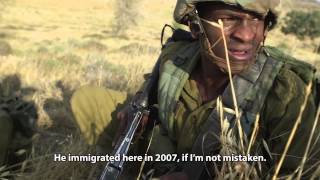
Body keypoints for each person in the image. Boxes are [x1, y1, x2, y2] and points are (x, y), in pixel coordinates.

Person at [71, 0, 320, 179]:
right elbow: (152, 92)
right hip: (172, 151)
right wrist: (136, 109)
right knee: (90, 101)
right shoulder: (177, 56)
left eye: (256, 19)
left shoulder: (287, 92)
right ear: (195, 26)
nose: (246, 34)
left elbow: (300, 172)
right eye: (227, 19)